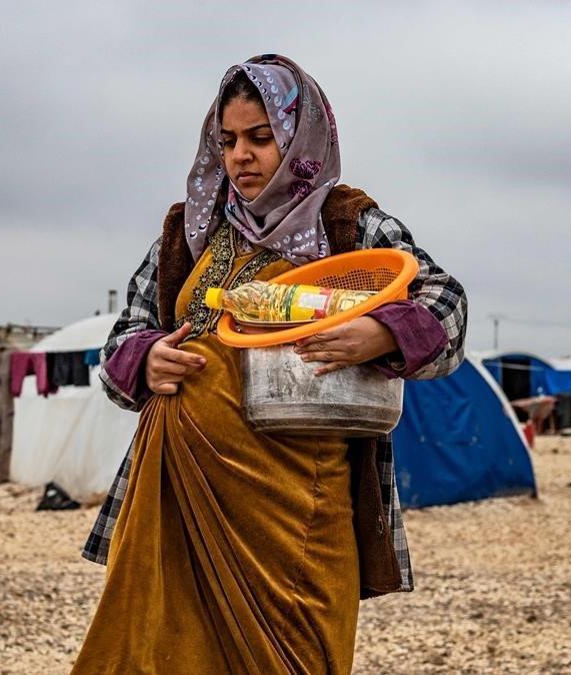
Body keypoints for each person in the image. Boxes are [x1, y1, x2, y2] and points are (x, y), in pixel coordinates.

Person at [72, 54, 467, 674]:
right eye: (227, 141)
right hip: (179, 496)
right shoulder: (190, 231)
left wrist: (380, 334)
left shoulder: (348, 223)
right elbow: (126, 332)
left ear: (300, 136)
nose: (241, 157)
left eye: (262, 138)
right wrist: (144, 360)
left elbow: (447, 306)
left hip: (297, 509)